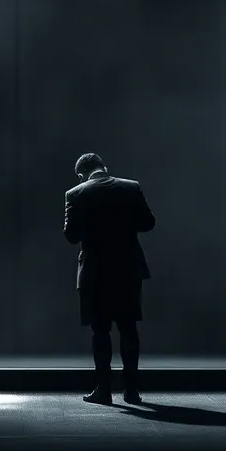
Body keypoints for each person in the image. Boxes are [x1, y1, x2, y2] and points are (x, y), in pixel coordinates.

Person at [62, 152, 156, 404]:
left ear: (81, 174)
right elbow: (148, 223)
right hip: (128, 268)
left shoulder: (75, 194)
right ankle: (132, 391)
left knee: (100, 331)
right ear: (103, 167)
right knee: (129, 329)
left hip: (96, 272)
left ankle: (103, 390)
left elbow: (71, 236)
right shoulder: (131, 187)